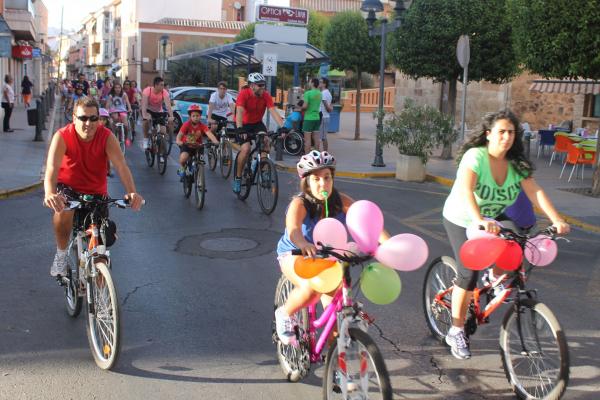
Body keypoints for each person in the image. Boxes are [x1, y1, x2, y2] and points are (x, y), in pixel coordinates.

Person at [441, 109, 570, 360]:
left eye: (511, 132)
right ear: (489, 134)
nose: (506, 137)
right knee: (468, 275)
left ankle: (495, 274)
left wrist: (557, 220)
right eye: (501, 132)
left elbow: (536, 193)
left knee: (518, 243)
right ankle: (455, 330)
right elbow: (467, 191)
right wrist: (478, 220)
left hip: (492, 218)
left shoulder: (516, 163)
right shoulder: (475, 157)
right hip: (461, 217)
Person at [274, 150, 389, 345]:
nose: (323, 184)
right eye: (316, 179)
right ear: (306, 182)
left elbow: (367, 222)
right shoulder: (300, 203)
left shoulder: (340, 200)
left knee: (336, 319)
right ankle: (284, 313)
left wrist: (388, 244)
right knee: (311, 290)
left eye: (327, 178)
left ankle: (335, 365)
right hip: (296, 254)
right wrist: (303, 243)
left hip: (328, 256)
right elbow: (293, 229)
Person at [43, 96, 144, 277]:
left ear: (99, 119)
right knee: (63, 210)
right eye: (83, 118)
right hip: (69, 187)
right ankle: (61, 255)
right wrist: (50, 193)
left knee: (100, 253)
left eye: (93, 118)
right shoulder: (62, 136)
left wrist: (132, 192)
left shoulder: (106, 137)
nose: (88, 123)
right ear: (74, 118)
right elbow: (52, 168)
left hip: (96, 193)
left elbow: (121, 165)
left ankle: (103, 302)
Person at [233, 72, 284, 193]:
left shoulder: (265, 95)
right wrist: (240, 128)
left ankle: (264, 172)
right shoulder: (244, 94)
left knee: (265, 142)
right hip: (243, 124)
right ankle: (238, 178)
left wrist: (283, 127)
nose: (263, 88)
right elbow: (239, 112)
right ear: (252, 86)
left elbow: (274, 112)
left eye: (264, 85)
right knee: (245, 149)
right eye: (260, 85)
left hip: (256, 123)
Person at [175, 104, 219, 177]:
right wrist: (179, 142)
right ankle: (182, 168)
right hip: (187, 146)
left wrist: (215, 141)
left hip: (198, 146)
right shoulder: (186, 125)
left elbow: (209, 134)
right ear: (190, 117)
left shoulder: (202, 125)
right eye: (193, 116)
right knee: (183, 159)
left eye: (197, 116)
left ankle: (200, 180)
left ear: (200, 116)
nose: (196, 118)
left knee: (200, 161)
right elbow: (179, 136)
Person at [141, 76, 174, 150]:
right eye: (161, 85)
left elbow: (168, 105)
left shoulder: (164, 92)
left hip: (159, 111)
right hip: (149, 110)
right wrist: (144, 115)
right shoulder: (147, 91)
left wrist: (171, 116)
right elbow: (144, 104)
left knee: (163, 132)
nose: (163, 86)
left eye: (163, 84)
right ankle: (145, 139)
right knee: (146, 121)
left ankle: (162, 154)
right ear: (156, 85)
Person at [302, 78, 322, 154]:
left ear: (313, 83)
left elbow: (305, 106)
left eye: (310, 82)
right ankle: (317, 156)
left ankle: (307, 157)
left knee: (307, 140)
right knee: (316, 139)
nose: (309, 83)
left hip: (308, 118)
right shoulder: (320, 93)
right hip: (317, 118)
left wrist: (300, 109)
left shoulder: (308, 93)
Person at [319, 77, 333, 151]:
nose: (319, 83)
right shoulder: (328, 92)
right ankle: (324, 152)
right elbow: (331, 105)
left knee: (323, 137)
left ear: (324, 84)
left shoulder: (323, 93)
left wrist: (330, 109)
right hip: (325, 117)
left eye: (321, 82)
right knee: (322, 136)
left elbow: (327, 107)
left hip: (323, 117)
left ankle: (325, 153)